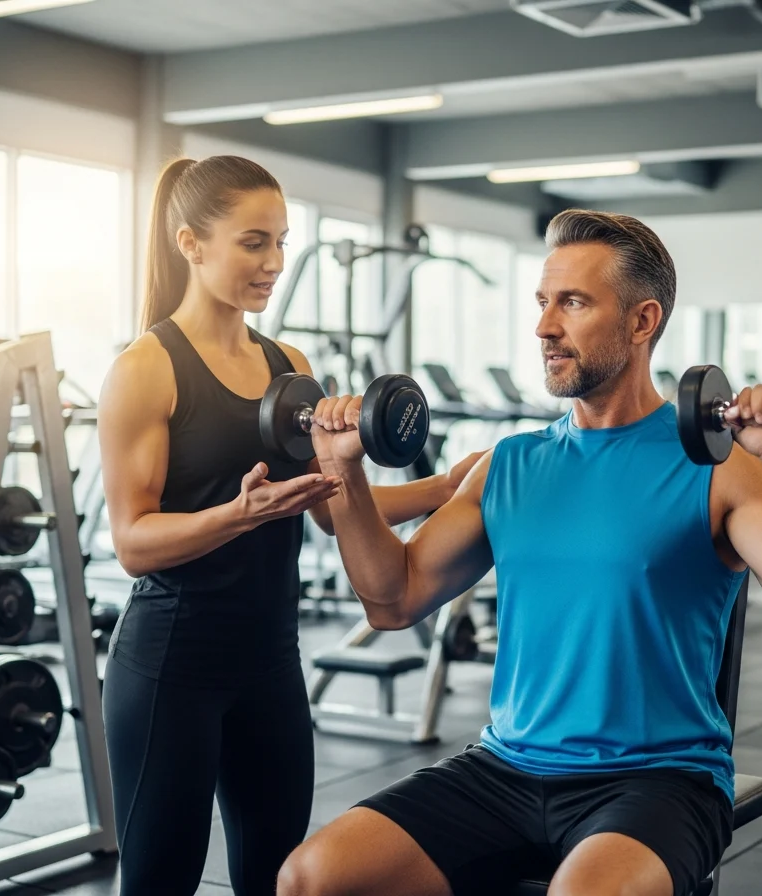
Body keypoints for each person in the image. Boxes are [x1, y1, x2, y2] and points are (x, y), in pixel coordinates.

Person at [276, 210, 762, 896]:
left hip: (659, 780)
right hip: (505, 769)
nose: (544, 328)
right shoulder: (510, 464)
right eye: (542, 302)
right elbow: (391, 599)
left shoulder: (720, 468)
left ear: (642, 321)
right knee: (310, 879)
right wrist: (343, 470)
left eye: (574, 303)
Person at [96, 154, 480, 896]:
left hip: (270, 662)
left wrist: (443, 487)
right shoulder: (146, 368)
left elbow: (336, 505)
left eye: (281, 242)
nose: (274, 263)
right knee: (159, 881)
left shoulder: (289, 363)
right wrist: (240, 515)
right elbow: (133, 543)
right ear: (190, 244)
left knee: (276, 879)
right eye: (253, 243)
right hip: (172, 666)